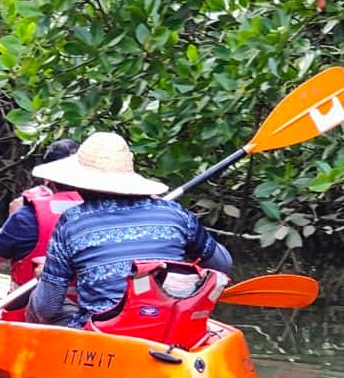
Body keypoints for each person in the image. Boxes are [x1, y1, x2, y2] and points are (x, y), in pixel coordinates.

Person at [26, 132, 232, 328]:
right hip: (167, 325)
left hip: (106, 332)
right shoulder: (175, 213)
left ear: (79, 184)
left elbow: (47, 308)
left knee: (37, 304)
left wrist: (44, 278)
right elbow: (222, 264)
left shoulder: (71, 221)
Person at [0, 139, 82, 321]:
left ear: (47, 177)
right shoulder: (105, 213)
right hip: (93, 315)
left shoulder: (26, 218)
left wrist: (12, 218)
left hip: (31, 318)